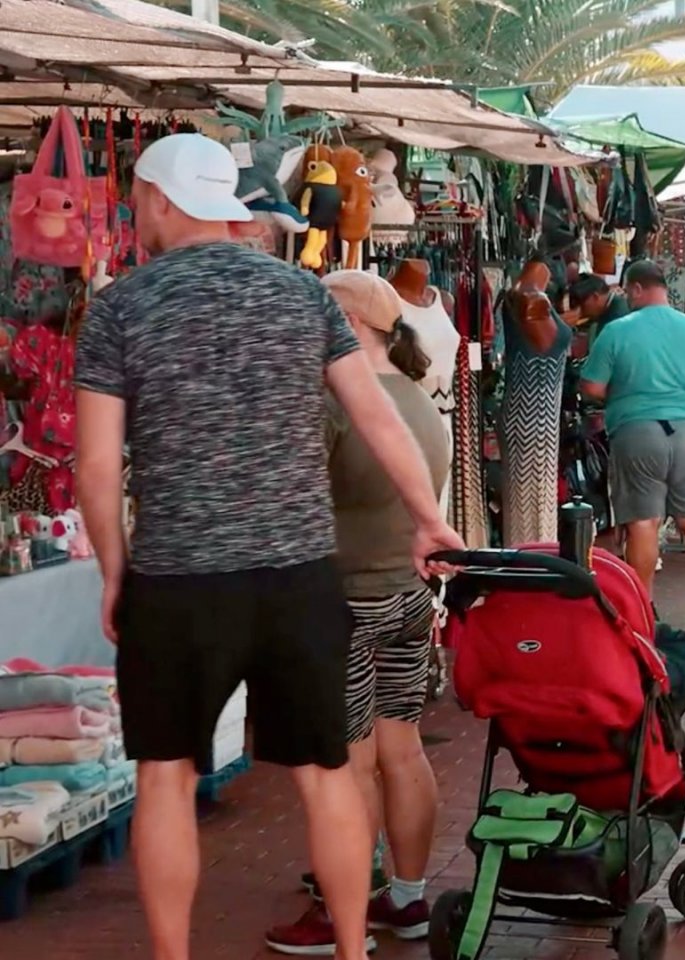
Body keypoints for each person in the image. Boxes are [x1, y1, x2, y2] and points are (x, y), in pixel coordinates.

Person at [73, 133, 462, 960]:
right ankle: (355, 951)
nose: (136, 211)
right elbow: (377, 415)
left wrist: (114, 570)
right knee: (325, 777)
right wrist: (428, 517)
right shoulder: (304, 296)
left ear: (165, 200)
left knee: (167, 778)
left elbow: (97, 467)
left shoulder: (121, 307)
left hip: (178, 580)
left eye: (140, 196)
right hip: (298, 576)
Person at [264, 271, 451, 952]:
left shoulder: (335, 403)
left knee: (344, 769)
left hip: (344, 603)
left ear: (341, 320)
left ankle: (350, 914)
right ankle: (405, 897)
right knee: (399, 752)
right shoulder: (417, 397)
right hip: (405, 596)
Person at [580, 259, 685, 624]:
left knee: (643, 521)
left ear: (635, 288)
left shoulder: (617, 331)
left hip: (637, 431)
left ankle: (644, 604)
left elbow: (592, 387)